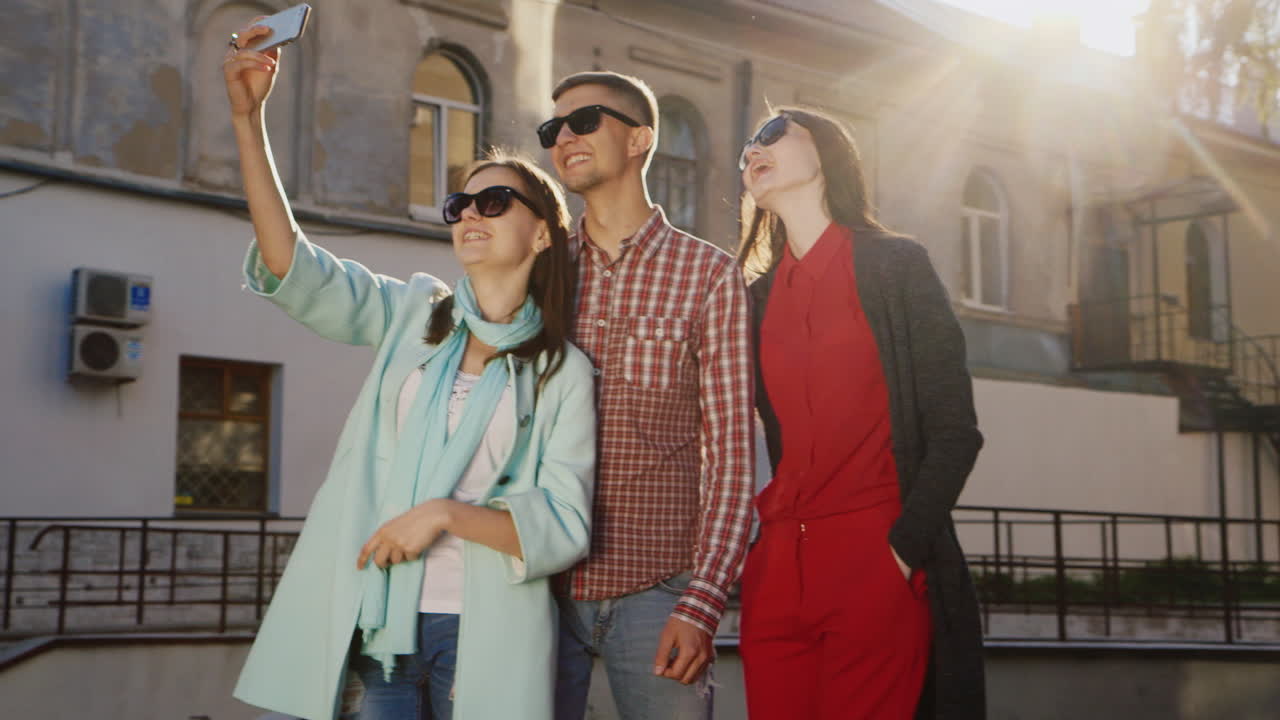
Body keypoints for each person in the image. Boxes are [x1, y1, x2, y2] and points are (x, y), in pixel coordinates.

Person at [220, 21, 596, 720]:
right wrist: (250, 119)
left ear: (543, 231)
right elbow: (290, 266)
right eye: (460, 204)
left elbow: (565, 524)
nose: (469, 215)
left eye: (494, 202)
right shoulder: (412, 316)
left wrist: (446, 515)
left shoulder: (562, 372)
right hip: (383, 624)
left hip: (485, 631)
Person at [736, 106, 987, 719]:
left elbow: (955, 429)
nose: (751, 152)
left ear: (826, 152)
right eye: (745, 147)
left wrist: (900, 550)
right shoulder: (754, 298)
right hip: (778, 571)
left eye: (770, 135)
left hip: (874, 554)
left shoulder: (895, 265)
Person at [540, 71, 755, 720]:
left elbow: (733, 457)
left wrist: (703, 599)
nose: (563, 139)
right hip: (538, 590)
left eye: (584, 123)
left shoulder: (709, 275)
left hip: (659, 591)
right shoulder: (539, 271)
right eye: (553, 129)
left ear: (639, 140)